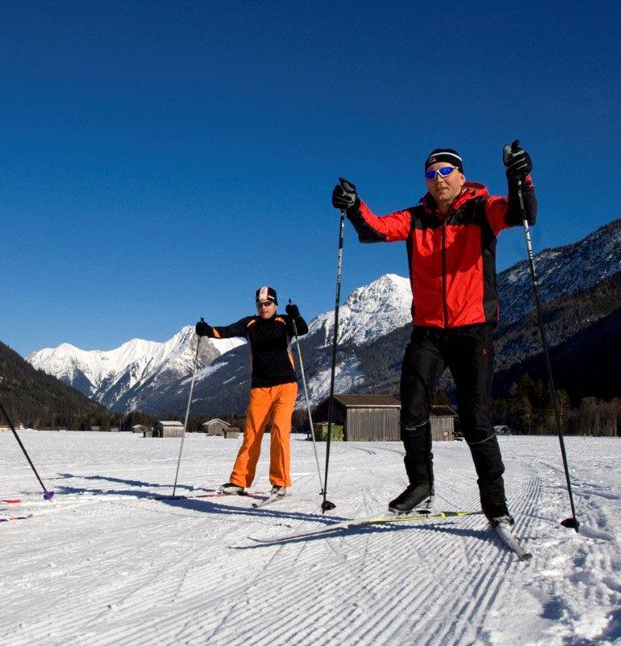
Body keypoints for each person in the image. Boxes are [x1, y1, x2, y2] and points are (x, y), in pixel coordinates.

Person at [331, 141, 536, 527]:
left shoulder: (482, 208)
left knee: (476, 417)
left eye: (445, 172)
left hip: (473, 329)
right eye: (431, 174)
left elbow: (523, 212)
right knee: (410, 408)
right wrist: (354, 205)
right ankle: (421, 485)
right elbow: (373, 230)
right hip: (427, 331)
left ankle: (495, 503)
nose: (438, 179)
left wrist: (519, 176)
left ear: (461, 176)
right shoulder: (415, 218)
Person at [195, 287, 308, 499]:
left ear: (275, 304)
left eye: (267, 304)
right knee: (252, 434)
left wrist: (296, 314)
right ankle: (239, 481)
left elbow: (302, 330)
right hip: (260, 387)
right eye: (260, 304)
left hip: (286, 385)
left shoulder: (285, 322)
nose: (263, 308)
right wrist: (206, 330)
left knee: (279, 430)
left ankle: (280, 482)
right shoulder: (250, 324)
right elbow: (226, 331)